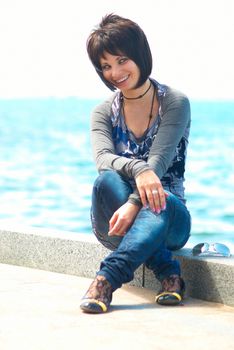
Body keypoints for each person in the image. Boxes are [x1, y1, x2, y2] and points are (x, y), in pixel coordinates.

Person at [80, 13, 191, 313]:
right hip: (116, 223)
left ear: (140, 54)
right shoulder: (103, 112)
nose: (115, 72)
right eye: (105, 66)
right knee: (105, 180)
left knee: (161, 199)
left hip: (170, 220)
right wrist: (138, 170)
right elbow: (103, 160)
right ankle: (169, 272)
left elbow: (159, 162)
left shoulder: (174, 103)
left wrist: (135, 201)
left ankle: (106, 279)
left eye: (121, 60)